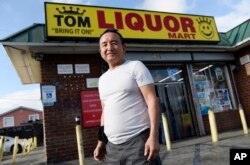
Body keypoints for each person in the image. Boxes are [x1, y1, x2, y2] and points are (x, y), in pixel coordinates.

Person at [93, 28, 162, 165]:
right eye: (104, 44)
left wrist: (154, 136)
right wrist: (101, 142)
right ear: (100, 51)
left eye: (114, 43)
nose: (109, 47)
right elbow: (104, 112)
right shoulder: (102, 79)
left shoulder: (135, 66)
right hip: (111, 147)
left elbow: (152, 100)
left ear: (124, 47)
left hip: (138, 143)